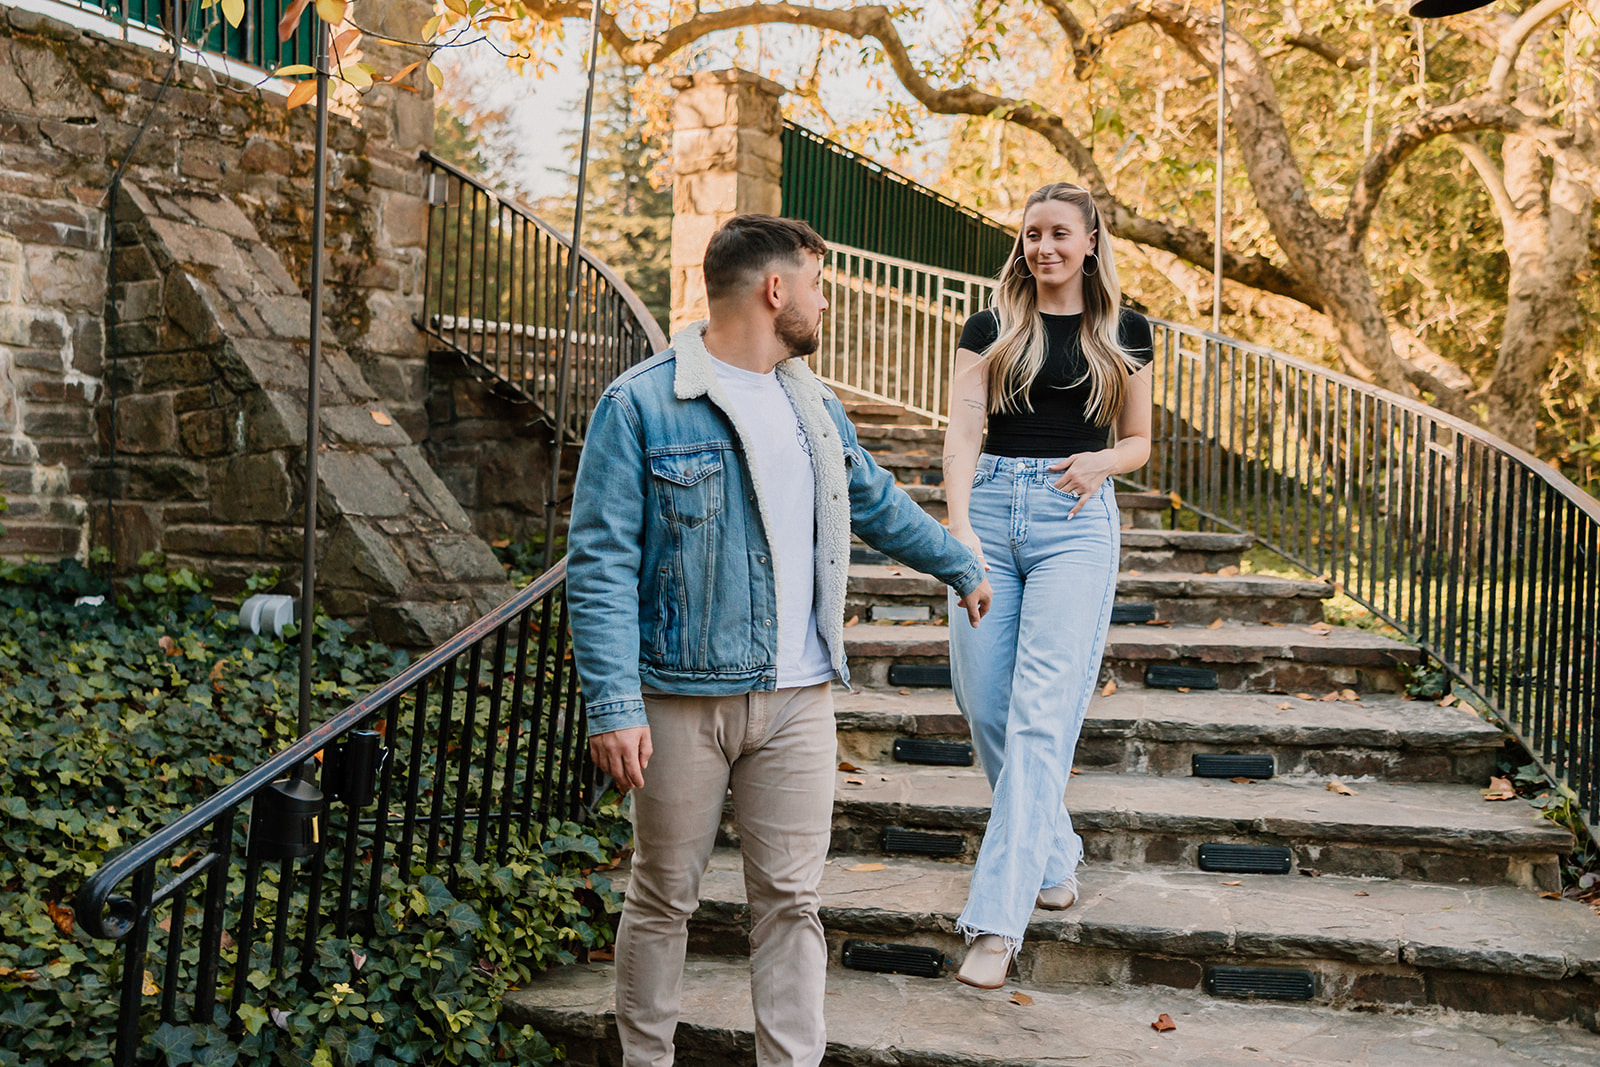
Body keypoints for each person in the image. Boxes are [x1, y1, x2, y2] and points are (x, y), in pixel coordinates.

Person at [566, 213, 994, 1066]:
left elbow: (872, 502)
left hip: (799, 701)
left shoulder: (815, 403)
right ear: (775, 288)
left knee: (793, 903)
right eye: (818, 286)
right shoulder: (643, 402)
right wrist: (613, 703)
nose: (824, 303)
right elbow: (601, 562)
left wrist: (959, 564)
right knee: (662, 898)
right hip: (681, 698)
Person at [940, 182, 1154, 989]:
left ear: (1091, 240)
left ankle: (995, 922)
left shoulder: (1125, 329)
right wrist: (957, 524)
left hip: (1076, 521)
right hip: (989, 513)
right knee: (984, 704)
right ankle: (1055, 849)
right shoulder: (990, 326)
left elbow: (1138, 442)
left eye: (1060, 233)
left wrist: (1100, 461)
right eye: (1032, 234)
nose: (1044, 247)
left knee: (1038, 718)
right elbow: (963, 427)